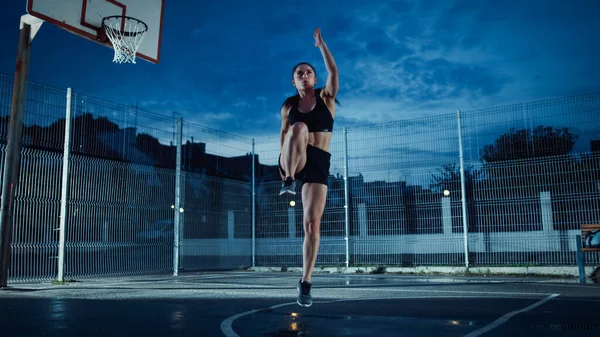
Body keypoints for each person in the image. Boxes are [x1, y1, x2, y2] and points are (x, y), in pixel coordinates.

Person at [277, 27, 339, 307]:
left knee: (312, 225)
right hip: (294, 159)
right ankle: (288, 180)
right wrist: (283, 163)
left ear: (314, 78)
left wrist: (321, 45)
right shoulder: (288, 107)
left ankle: (305, 281)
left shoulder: (326, 99)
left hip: (318, 163)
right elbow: (284, 134)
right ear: (293, 81)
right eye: (299, 73)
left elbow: (334, 73)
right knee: (298, 127)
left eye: (308, 72)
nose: (305, 75)